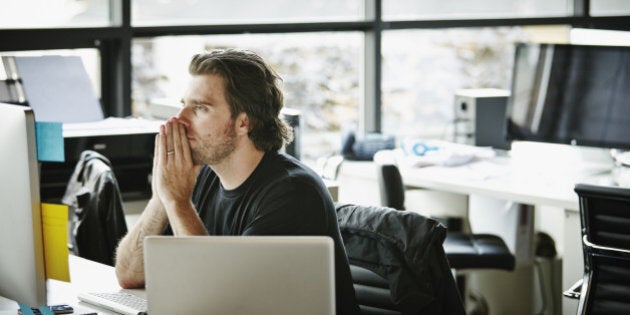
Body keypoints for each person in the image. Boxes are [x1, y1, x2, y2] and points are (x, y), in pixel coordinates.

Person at [114, 49, 360, 314]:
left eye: (200, 108)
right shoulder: (201, 175)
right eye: (182, 104)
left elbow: (222, 306)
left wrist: (177, 201)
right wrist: (161, 197)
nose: (179, 120)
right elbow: (129, 275)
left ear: (244, 123)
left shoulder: (293, 194)